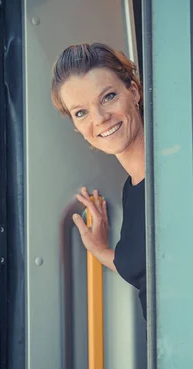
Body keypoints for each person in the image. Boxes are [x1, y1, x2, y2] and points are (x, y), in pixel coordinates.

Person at [50, 43, 147, 320]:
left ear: (134, 91)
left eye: (108, 97)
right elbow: (147, 268)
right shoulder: (132, 189)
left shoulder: (174, 174)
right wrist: (102, 250)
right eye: (81, 112)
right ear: (77, 127)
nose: (101, 119)